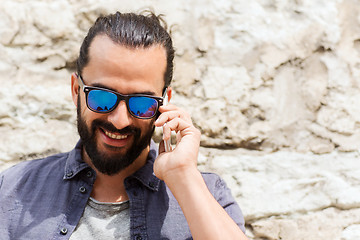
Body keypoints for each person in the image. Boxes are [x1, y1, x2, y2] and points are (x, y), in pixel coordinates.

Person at [0, 11, 248, 240]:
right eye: (102, 97)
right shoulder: (12, 189)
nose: (120, 120)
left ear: (164, 102)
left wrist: (182, 175)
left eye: (142, 103)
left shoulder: (207, 196)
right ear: (77, 91)